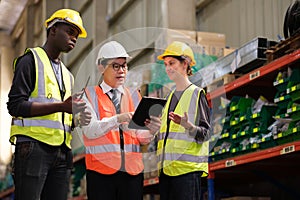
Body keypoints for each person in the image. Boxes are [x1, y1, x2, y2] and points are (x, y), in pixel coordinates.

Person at [7, 8, 91, 200]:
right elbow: (15, 106)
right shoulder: (30, 61)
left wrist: (77, 120)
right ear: (53, 30)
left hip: (61, 153)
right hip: (33, 149)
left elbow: (60, 118)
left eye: (76, 36)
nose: (74, 39)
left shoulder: (67, 75)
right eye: (70, 32)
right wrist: (62, 106)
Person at [81, 41, 155, 200]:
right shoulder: (88, 96)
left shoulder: (134, 95)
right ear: (101, 67)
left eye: (124, 66)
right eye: (116, 66)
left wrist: (152, 130)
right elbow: (90, 130)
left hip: (132, 173)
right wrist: (117, 119)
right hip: (101, 174)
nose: (121, 71)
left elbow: (140, 137)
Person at [145, 41, 211, 200]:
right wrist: (154, 130)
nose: (167, 68)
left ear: (185, 64)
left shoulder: (196, 94)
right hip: (166, 171)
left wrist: (188, 125)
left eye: (172, 63)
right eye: (166, 64)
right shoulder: (168, 98)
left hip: (186, 172)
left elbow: (206, 134)